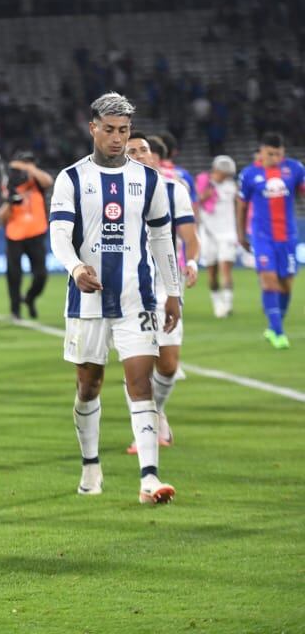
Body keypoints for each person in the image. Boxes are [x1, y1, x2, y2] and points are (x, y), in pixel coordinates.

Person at [48, 93, 183, 505]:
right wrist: (76, 268)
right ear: (93, 128)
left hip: (136, 299)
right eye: (109, 129)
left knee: (139, 381)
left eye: (123, 131)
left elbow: (161, 238)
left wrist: (173, 292)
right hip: (87, 301)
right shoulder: (71, 178)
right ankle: (91, 464)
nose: (117, 138)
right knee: (89, 385)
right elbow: (58, 235)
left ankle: (148, 478)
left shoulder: (150, 180)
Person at [124, 133, 199, 453]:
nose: (140, 154)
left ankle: (157, 412)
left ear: (154, 156)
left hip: (166, 285)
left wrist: (192, 261)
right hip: (129, 289)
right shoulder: (112, 193)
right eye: (133, 151)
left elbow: (189, 236)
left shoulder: (174, 190)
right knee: (140, 367)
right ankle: (146, 431)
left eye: (144, 150)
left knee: (168, 365)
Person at [237, 132, 305, 349]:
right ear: (262, 151)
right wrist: (240, 234)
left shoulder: (295, 168)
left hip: (288, 237)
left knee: (286, 285)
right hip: (262, 236)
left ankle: (274, 325)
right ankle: (278, 332)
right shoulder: (249, 174)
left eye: (278, 154)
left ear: (283, 152)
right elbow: (242, 205)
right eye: (270, 153)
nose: (274, 157)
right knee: (269, 281)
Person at [0, 151, 53, 319]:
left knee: (41, 275)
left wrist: (27, 167)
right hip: (15, 235)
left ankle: (29, 298)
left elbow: (49, 181)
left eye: (31, 163)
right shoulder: (8, 185)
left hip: (37, 233)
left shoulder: (37, 182)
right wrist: (10, 202)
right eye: (25, 163)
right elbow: (1, 216)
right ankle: (15, 310)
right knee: (14, 275)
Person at [196, 155, 239, 318]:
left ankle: (227, 306)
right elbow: (194, 202)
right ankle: (217, 303)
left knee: (225, 269)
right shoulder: (203, 182)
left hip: (227, 233)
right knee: (212, 272)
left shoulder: (231, 187)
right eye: (224, 173)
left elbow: (240, 206)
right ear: (216, 170)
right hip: (208, 234)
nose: (226, 176)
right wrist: (203, 196)